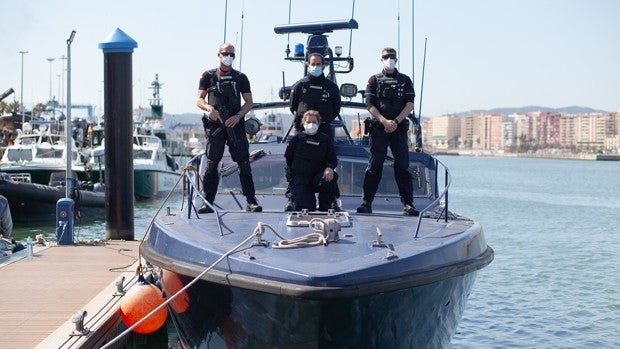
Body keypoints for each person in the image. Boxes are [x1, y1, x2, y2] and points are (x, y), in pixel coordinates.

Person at [196, 43, 262, 213]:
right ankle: (208, 202)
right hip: (215, 125)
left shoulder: (241, 77)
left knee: (244, 163)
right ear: (218, 55)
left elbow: (249, 102)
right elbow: (199, 99)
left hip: (235, 125)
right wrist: (209, 109)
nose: (228, 57)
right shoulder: (208, 76)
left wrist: (238, 116)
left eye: (232, 54)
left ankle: (250, 201)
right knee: (212, 164)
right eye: (225, 53)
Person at [356, 47, 419, 216]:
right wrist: (384, 121)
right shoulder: (373, 80)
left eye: (392, 57)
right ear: (381, 59)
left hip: (398, 129)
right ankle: (366, 203)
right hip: (379, 128)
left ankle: (408, 204)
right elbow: (369, 104)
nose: (389, 59)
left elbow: (410, 104)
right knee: (374, 166)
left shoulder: (405, 80)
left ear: (396, 60)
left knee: (402, 166)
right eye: (386, 57)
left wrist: (396, 121)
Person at [286, 52, 341, 211]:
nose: (315, 67)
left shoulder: (331, 87)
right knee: (297, 164)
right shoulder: (299, 86)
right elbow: (293, 107)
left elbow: (336, 108)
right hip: (302, 133)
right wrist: (307, 124)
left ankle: (331, 201)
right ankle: (292, 197)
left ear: (323, 66)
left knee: (329, 168)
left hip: (324, 131)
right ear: (307, 65)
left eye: (318, 64)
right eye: (313, 64)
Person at [284, 110, 339, 212]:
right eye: (308, 122)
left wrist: (330, 168)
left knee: (332, 177)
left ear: (319, 123)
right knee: (307, 208)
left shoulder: (325, 140)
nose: (311, 124)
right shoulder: (296, 139)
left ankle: (326, 206)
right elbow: (288, 158)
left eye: (314, 122)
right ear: (303, 123)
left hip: (318, 177)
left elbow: (332, 159)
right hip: (300, 179)